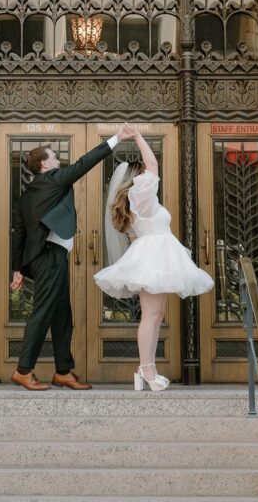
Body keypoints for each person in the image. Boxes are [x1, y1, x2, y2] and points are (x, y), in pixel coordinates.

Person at [10, 123, 134, 391]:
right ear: (44, 164)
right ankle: (23, 370)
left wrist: (17, 269)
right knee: (43, 312)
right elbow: (84, 163)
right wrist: (116, 138)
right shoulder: (53, 179)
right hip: (50, 257)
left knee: (61, 315)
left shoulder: (27, 195)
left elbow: (18, 233)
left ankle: (63, 371)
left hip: (46, 258)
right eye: (54, 156)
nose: (58, 159)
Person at [94, 125, 214, 391]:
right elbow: (153, 164)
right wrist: (137, 137)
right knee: (151, 315)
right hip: (153, 258)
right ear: (139, 179)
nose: (150, 176)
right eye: (145, 175)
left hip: (152, 256)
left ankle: (145, 369)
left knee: (156, 314)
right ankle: (146, 369)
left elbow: (135, 238)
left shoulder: (138, 203)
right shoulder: (142, 196)